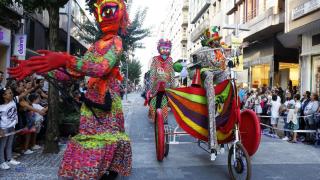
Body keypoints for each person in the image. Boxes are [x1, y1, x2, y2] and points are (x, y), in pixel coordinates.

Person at [8, 0, 132, 179]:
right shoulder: (95, 46)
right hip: (91, 103)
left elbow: (101, 68)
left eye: (110, 11)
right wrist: (42, 68)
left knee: (107, 140)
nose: (105, 16)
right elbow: (73, 74)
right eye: (102, 12)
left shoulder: (116, 41)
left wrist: (66, 59)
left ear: (121, 13)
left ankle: (107, 170)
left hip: (107, 103)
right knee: (89, 141)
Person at [0, 86, 35, 170]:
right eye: (9, 93)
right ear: (3, 96)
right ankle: (2, 162)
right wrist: (0, 130)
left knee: (9, 144)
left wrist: (33, 86)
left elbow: (24, 94)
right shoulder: (0, 106)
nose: (11, 94)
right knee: (2, 146)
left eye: (11, 92)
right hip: (3, 128)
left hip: (12, 126)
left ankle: (9, 159)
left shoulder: (14, 100)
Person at [148, 39, 174, 122]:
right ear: (159, 49)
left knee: (165, 103)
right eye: (164, 48)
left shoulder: (170, 60)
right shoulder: (155, 59)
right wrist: (151, 87)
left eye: (168, 49)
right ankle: (156, 117)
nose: (166, 51)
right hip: (157, 86)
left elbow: (172, 73)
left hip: (166, 86)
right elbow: (152, 73)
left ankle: (164, 119)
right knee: (155, 102)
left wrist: (172, 86)